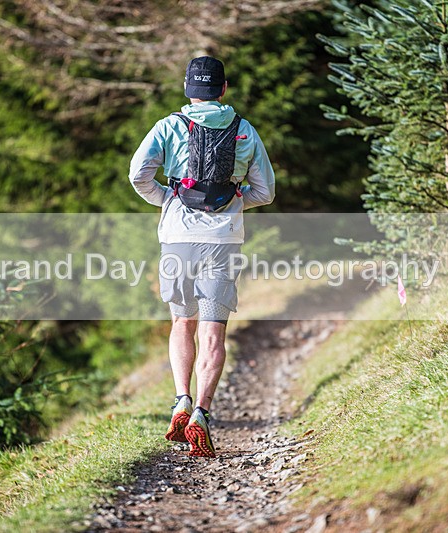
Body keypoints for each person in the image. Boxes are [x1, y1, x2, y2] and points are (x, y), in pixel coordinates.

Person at [129, 56, 275, 458]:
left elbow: (138, 174)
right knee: (213, 330)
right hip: (223, 240)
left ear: (187, 89)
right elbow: (266, 191)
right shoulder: (243, 129)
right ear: (223, 88)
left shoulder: (168, 125)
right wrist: (236, 202)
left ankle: (179, 399)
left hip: (177, 237)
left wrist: (166, 198)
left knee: (182, 321)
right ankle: (201, 413)